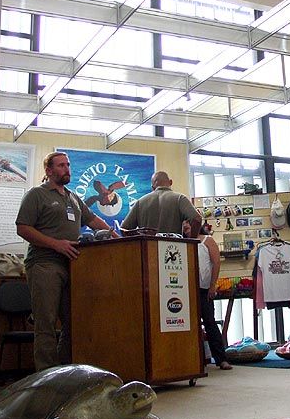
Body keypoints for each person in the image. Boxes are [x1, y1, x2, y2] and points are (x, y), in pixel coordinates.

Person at [16, 151, 117, 371]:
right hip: (44, 264)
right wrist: (55, 244)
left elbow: (92, 220)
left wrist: (113, 233)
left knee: (74, 321)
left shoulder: (72, 197)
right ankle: (46, 377)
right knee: (46, 324)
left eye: (68, 165)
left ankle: (64, 371)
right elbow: (23, 228)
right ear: (49, 171)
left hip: (73, 265)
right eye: (61, 166)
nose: (67, 169)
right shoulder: (37, 195)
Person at [193, 223, 232, 370]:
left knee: (209, 322)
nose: (186, 227)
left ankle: (221, 359)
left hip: (204, 289)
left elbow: (216, 263)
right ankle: (197, 359)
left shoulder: (207, 240)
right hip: (186, 290)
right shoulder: (180, 240)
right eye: (184, 225)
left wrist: (212, 285)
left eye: (189, 225)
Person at [121, 170, 202, 237]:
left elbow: (124, 229)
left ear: (152, 188)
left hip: (148, 251)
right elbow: (197, 219)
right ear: (170, 182)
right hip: (174, 250)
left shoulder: (140, 202)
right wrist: (192, 241)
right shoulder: (180, 199)